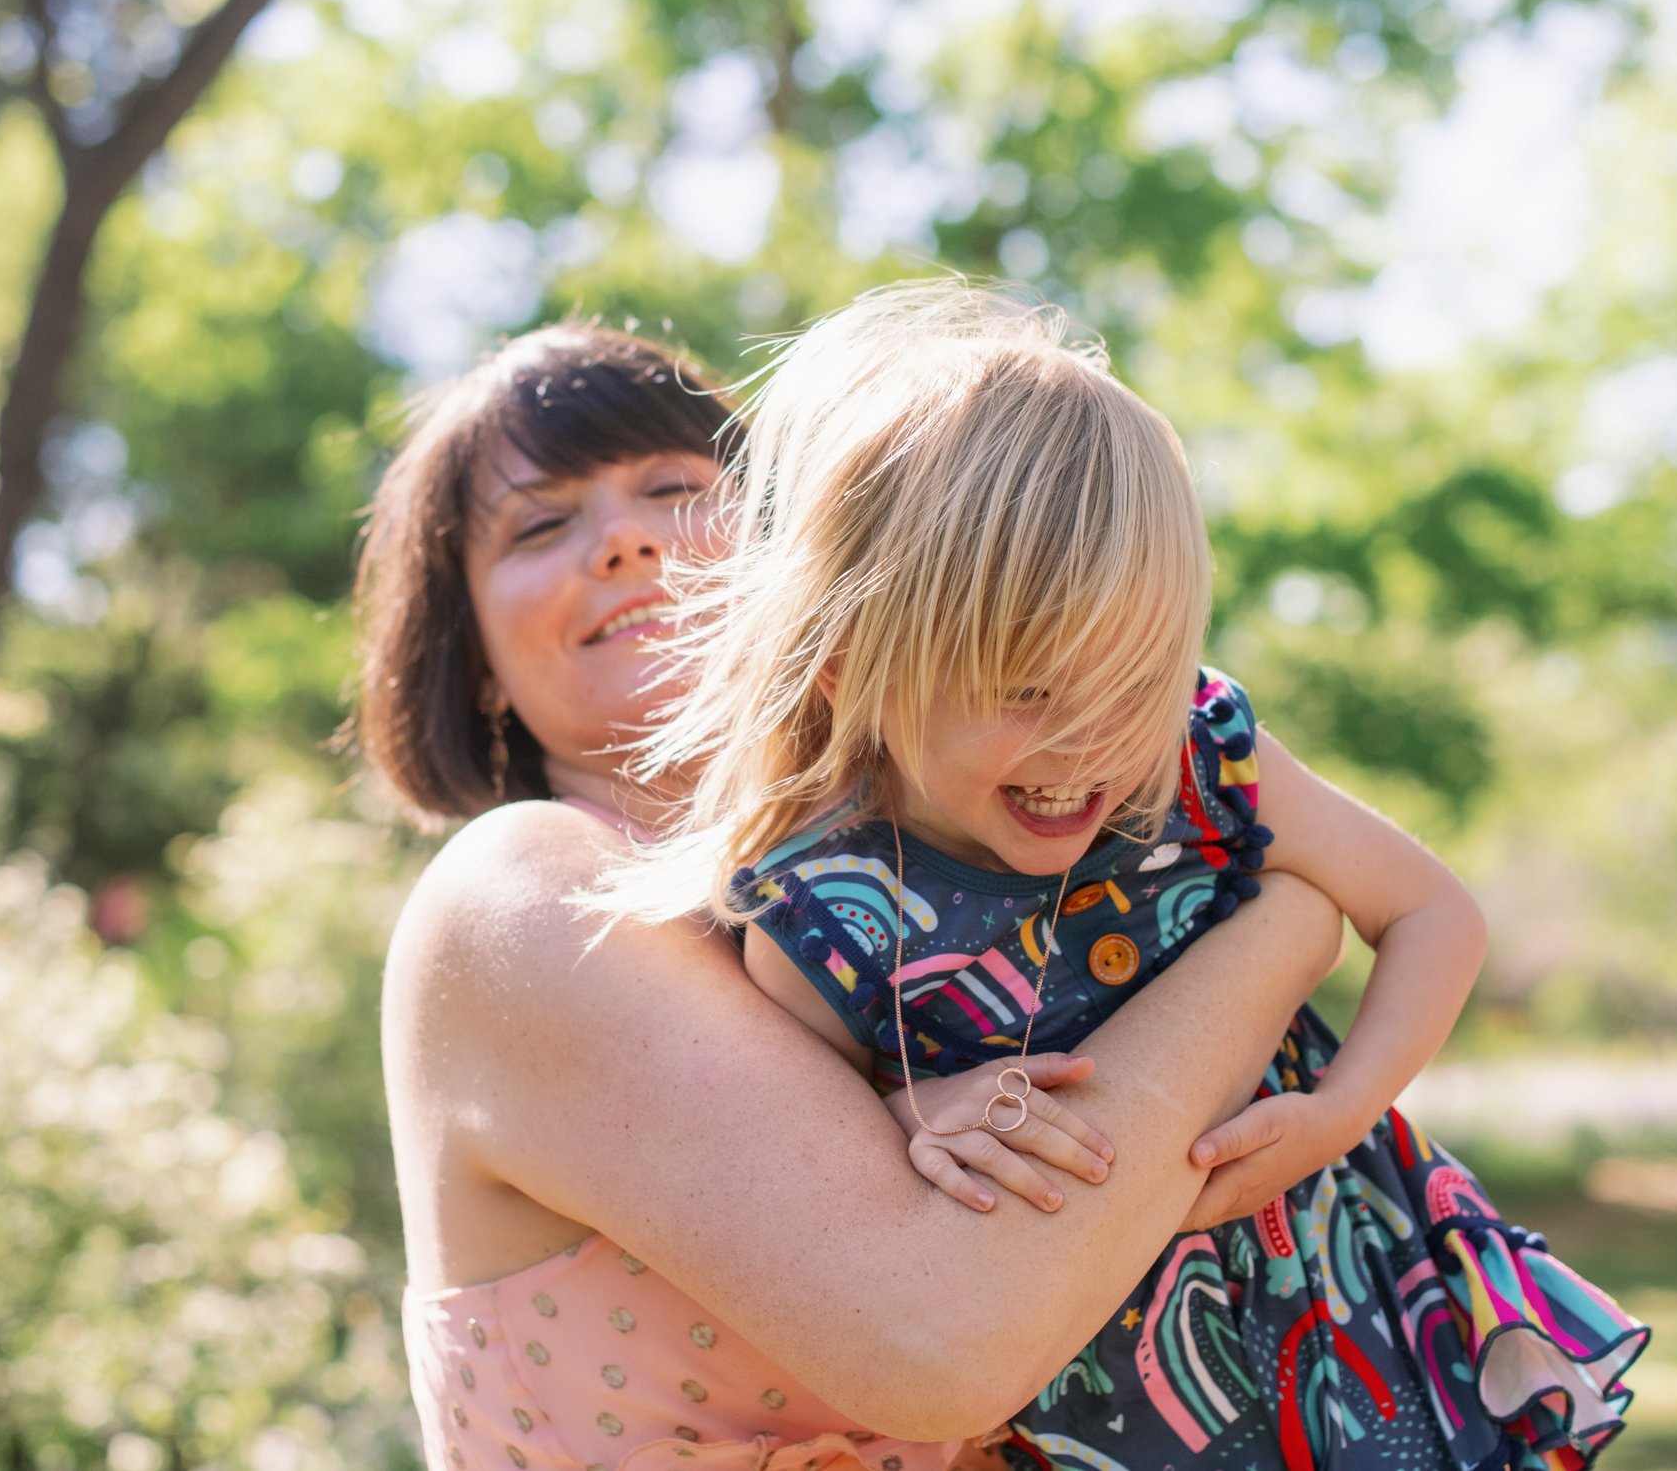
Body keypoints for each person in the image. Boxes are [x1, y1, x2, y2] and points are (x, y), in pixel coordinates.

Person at [607, 283, 1650, 1471]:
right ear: (851, 668)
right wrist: (909, 1114)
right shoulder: (820, 918)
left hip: (1356, 1314)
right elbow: (823, 1177)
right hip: (1120, 1410)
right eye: (1027, 690)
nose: (1087, 745)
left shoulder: (1204, 753)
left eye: (1133, 681)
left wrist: (1335, 1113)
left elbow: (1430, 912)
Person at [359, 323, 1348, 1471]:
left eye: (672, 486)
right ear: (473, 653)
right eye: (541, 523)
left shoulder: (928, 874)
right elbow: (945, 1342)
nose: (623, 539)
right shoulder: (521, 894)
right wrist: (1288, 926)